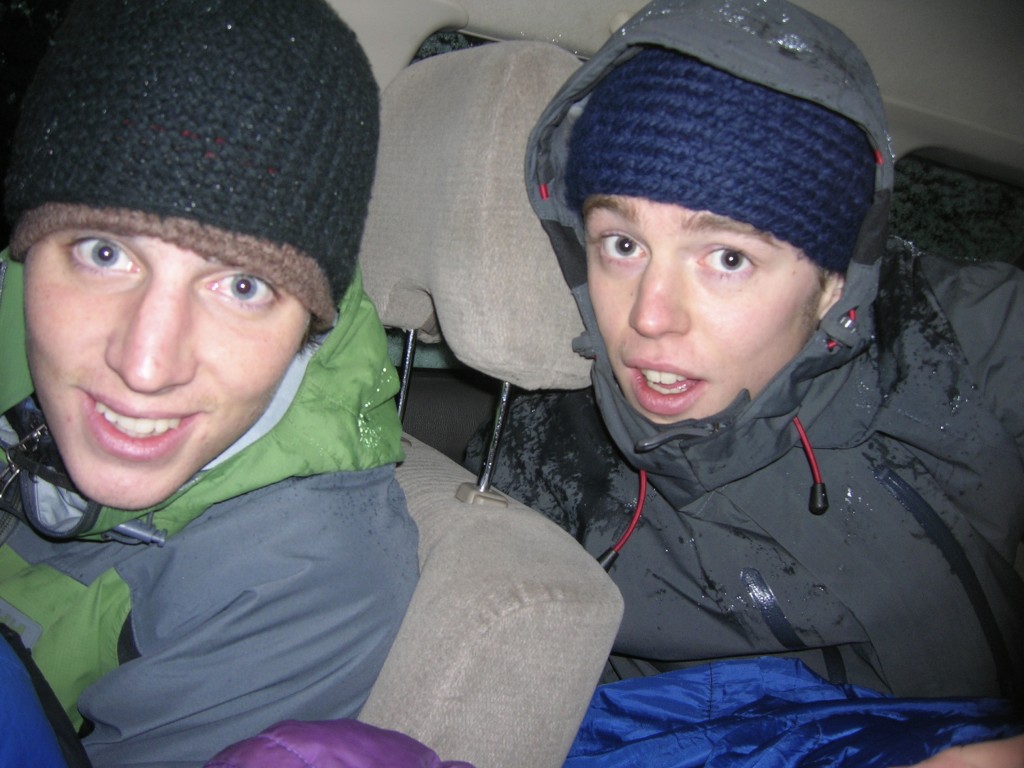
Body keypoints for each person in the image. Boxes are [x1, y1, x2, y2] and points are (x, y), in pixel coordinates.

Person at [468, 0, 1024, 743]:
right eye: (622, 244)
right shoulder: (538, 465)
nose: (649, 317)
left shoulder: (955, 341)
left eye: (727, 258)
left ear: (833, 281)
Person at [0, 0, 419, 764]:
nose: (147, 365)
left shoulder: (306, 570)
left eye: (244, 287)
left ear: (309, 322)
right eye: (103, 252)